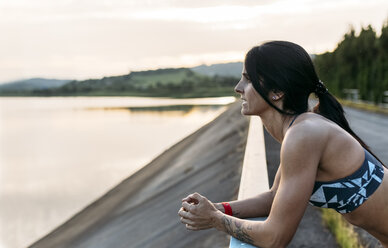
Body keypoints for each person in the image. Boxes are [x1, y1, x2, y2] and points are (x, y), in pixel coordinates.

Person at [178, 41, 388, 248]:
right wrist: (217, 208)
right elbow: (273, 198)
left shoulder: (304, 134)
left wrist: (215, 219)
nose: (238, 88)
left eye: (248, 80)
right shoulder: (301, 129)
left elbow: (275, 237)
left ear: (277, 91)